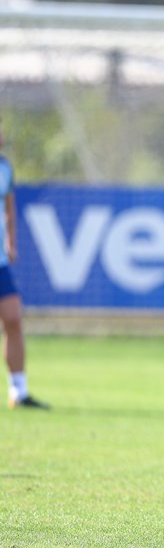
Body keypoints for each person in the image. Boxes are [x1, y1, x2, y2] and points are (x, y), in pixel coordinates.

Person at [0, 118, 48, 411]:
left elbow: (9, 207)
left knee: (13, 317)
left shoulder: (5, 168)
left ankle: (19, 391)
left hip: (0, 262)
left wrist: (11, 241)